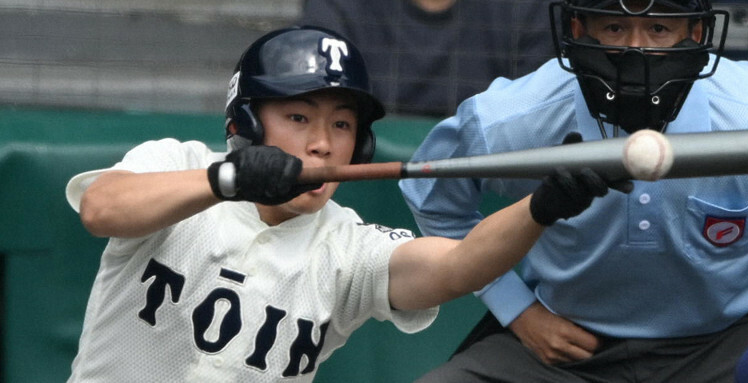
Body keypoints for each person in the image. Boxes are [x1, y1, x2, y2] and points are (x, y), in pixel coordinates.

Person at [63, 26, 609, 382]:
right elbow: (102, 209)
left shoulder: (346, 247)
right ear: (244, 125)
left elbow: (455, 267)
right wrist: (227, 179)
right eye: (298, 118)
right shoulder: (175, 160)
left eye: (342, 125)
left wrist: (542, 205)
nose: (322, 142)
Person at [399, 0, 748, 381]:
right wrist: (517, 309)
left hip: (722, 344)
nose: (635, 48)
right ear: (579, 29)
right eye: (614, 26)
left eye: (658, 27)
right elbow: (432, 195)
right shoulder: (520, 115)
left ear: (696, 32)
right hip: (562, 352)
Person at [299, 0, 553, 117]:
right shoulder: (337, 6)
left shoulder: (531, 8)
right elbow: (316, 115)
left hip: (491, 190)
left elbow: (534, 123)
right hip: (358, 185)